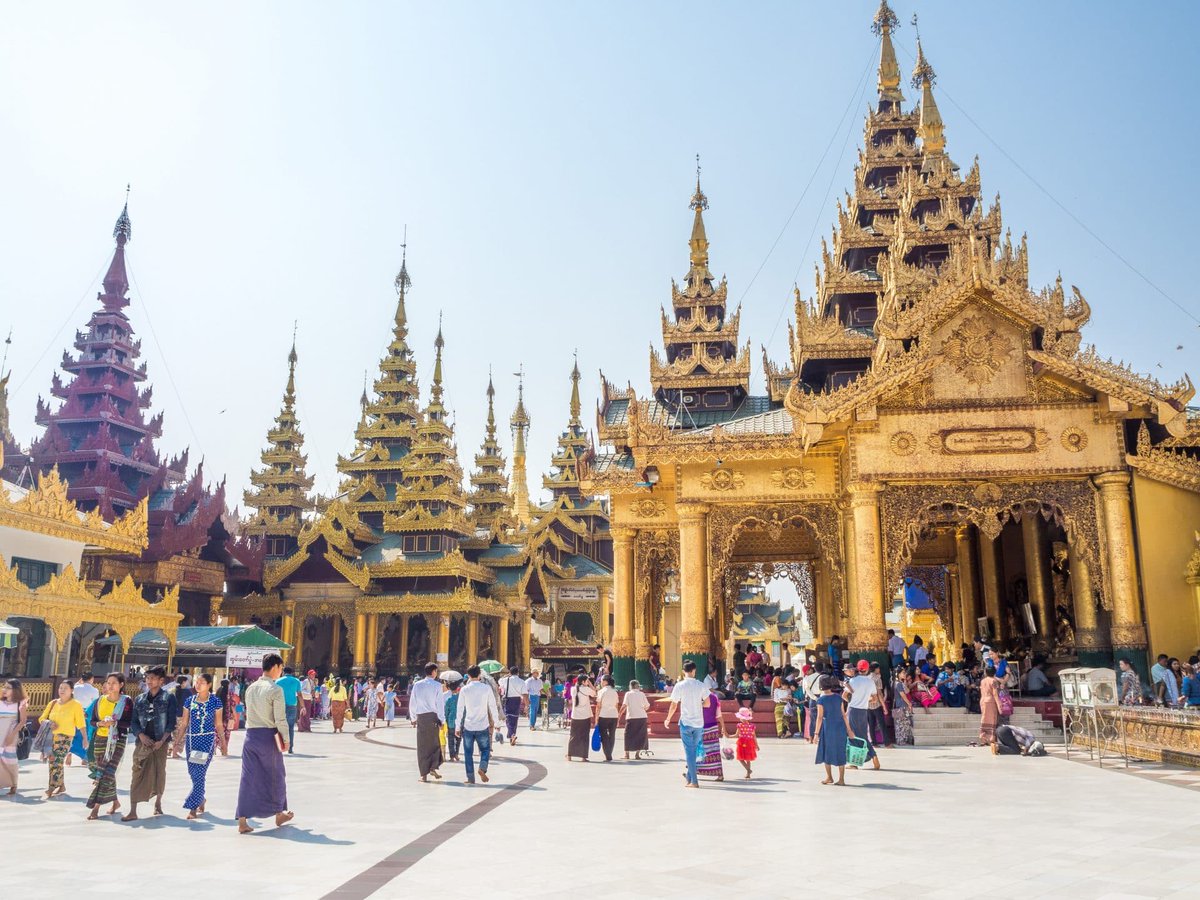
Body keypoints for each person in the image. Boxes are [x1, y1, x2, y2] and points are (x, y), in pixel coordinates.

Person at [236, 653, 294, 834]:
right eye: (281, 668)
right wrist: (286, 739)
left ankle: (242, 821)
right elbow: (280, 719)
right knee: (276, 776)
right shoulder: (275, 690)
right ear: (275, 667)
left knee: (248, 778)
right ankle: (279, 813)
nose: (281, 671)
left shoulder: (251, 688)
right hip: (268, 738)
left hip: (251, 737)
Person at [123, 665, 178, 821]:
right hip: (143, 742)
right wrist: (140, 735)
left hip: (160, 743)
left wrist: (162, 740)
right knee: (137, 773)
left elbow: (171, 722)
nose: (149, 681)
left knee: (159, 772)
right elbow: (134, 721)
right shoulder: (140, 699)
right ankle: (133, 810)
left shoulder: (169, 698)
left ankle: (158, 802)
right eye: (147, 678)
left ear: (161, 681)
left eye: (153, 678)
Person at [85, 673, 133, 819]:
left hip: (117, 740)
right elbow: (93, 721)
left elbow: (130, 722)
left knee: (106, 772)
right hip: (100, 738)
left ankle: (95, 807)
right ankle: (115, 802)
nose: (110, 686)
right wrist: (101, 723)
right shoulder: (100, 700)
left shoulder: (126, 702)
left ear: (121, 685)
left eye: (114, 683)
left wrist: (115, 723)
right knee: (106, 772)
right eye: (108, 682)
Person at [180, 673, 226, 819]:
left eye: (202, 682)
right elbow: (184, 723)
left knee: (199, 773)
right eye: (196, 681)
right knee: (193, 773)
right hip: (191, 741)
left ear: (209, 685)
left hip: (206, 741)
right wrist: (176, 742)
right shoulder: (189, 700)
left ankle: (192, 807)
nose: (198, 684)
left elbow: (218, 724)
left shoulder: (215, 701)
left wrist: (223, 743)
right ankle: (201, 798)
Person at [663, 661, 711, 789]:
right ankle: (689, 777)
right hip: (698, 723)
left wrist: (668, 719)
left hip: (686, 722)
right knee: (693, 751)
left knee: (689, 752)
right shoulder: (701, 685)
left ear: (683, 671)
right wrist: (698, 704)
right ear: (694, 670)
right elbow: (707, 703)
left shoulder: (680, 686)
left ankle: (694, 781)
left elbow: (674, 705)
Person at [39, 679, 86, 799]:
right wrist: (49, 723)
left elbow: (81, 723)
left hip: (65, 738)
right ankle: (62, 785)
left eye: (65, 688)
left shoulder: (76, 705)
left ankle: (52, 786)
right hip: (51, 737)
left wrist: (85, 738)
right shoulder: (53, 703)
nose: (62, 690)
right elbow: (42, 718)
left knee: (56, 760)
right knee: (54, 761)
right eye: (60, 688)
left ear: (72, 690)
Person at [455, 666, 500, 785]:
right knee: (485, 750)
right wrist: (497, 723)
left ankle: (470, 778)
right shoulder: (486, 688)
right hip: (482, 725)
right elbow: (492, 706)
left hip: (468, 725)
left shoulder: (464, 690)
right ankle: (482, 768)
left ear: (468, 676)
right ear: (479, 675)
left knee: (468, 753)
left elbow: (460, 709)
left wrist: (457, 727)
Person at [408, 662, 446, 782]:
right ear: (433, 672)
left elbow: (413, 702)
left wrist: (413, 718)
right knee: (434, 744)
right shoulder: (437, 686)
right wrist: (442, 719)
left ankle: (423, 775)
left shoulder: (417, 685)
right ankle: (433, 766)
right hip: (433, 717)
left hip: (421, 717)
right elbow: (440, 704)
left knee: (422, 746)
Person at [843, 660, 882, 771]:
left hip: (853, 711)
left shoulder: (853, 681)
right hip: (864, 711)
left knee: (852, 735)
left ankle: (854, 763)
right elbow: (875, 699)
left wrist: (852, 700)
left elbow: (844, 696)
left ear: (857, 669)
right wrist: (864, 700)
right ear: (867, 669)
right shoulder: (870, 682)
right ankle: (873, 756)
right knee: (863, 735)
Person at [1, 679, 29, 796]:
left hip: (11, 735)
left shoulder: (20, 703)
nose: (4, 689)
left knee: (10, 760)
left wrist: (12, 736)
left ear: (16, 690)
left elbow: (23, 721)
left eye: (8, 688)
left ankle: (13, 784)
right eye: (4, 687)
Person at [70, 672, 100, 766]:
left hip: (75, 712)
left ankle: (69, 752)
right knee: (86, 735)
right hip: (87, 714)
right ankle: (84, 758)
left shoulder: (76, 687)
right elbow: (95, 703)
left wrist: (78, 682)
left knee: (73, 733)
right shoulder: (94, 690)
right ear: (92, 679)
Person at [566, 673, 597, 761]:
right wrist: (590, 684)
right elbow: (594, 693)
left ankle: (569, 755)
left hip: (575, 716)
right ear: (583, 682)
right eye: (586, 681)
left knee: (573, 735)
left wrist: (584, 682)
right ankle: (583, 756)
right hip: (585, 716)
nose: (587, 682)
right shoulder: (586, 689)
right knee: (584, 736)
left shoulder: (573, 689)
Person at [620, 679, 650, 760]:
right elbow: (647, 706)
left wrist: (619, 715)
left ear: (631, 686)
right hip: (642, 717)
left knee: (628, 735)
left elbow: (624, 706)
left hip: (631, 717)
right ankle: (637, 754)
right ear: (637, 686)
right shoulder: (642, 694)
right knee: (640, 735)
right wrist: (642, 709)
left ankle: (627, 754)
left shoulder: (628, 694)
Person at [275, 666, 302, 752]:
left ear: (283, 672)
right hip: (292, 706)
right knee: (290, 727)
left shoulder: (278, 681)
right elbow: (299, 694)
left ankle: (279, 746)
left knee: (279, 726)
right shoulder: (296, 681)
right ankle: (290, 747)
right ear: (292, 673)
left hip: (280, 706)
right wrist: (303, 706)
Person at [499, 666, 527, 746]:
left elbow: (499, 681)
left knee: (508, 718)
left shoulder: (505, 680)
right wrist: (526, 705)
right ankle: (512, 735)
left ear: (510, 673)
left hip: (508, 700)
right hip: (517, 700)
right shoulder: (522, 681)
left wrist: (506, 675)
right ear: (518, 673)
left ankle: (512, 735)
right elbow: (525, 694)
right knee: (515, 719)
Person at [595, 675, 620, 762]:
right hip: (614, 715)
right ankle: (609, 753)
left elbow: (598, 706)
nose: (601, 682)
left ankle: (608, 755)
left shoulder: (601, 691)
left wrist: (596, 718)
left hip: (604, 715)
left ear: (605, 681)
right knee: (612, 735)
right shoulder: (615, 692)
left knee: (604, 735)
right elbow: (616, 705)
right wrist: (618, 717)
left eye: (601, 681)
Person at [979, 664, 1001, 745]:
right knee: (992, 719)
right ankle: (991, 738)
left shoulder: (982, 681)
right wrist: (999, 704)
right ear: (994, 672)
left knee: (984, 719)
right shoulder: (993, 681)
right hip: (990, 701)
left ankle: (983, 738)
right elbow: (995, 694)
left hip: (983, 700)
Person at [734, 706, 758, 779]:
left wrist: (727, 735)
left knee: (740, 758)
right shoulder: (752, 726)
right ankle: (748, 774)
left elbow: (736, 735)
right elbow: (754, 736)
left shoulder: (739, 725)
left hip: (742, 742)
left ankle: (748, 770)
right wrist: (756, 745)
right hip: (750, 742)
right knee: (748, 759)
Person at [892, 670, 915, 746]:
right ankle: (901, 740)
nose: (905, 674)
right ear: (898, 674)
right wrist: (909, 703)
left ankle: (902, 740)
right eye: (903, 673)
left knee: (902, 724)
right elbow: (903, 695)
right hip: (902, 705)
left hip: (900, 705)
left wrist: (905, 682)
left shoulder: (899, 683)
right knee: (902, 724)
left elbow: (907, 691)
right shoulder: (898, 684)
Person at [443, 677, 463, 761]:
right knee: (458, 739)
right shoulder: (461, 698)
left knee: (451, 739)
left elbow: (446, 711)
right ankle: (456, 754)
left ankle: (452, 756)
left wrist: (446, 720)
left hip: (451, 722)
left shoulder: (449, 699)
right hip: (460, 721)